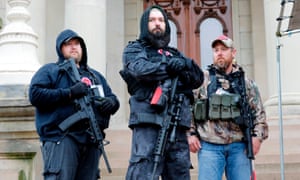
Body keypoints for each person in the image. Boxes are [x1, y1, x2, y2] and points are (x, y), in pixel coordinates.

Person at [120, 5, 204, 180]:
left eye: (160, 20)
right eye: (152, 20)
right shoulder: (135, 49)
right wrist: (170, 67)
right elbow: (141, 70)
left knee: (179, 174)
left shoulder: (175, 54)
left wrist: (186, 64)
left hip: (176, 126)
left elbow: (197, 79)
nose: (157, 24)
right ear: (145, 25)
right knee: (142, 174)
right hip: (148, 123)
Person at [29, 29, 119, 180]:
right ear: (60, 48)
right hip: (62, 139)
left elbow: (112, 97)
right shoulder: (51, 70)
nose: (73, 47)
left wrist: (112, 103)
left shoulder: (95, 76)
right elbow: (36, 94)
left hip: (91, 141)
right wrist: (69, 93)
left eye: (77, 44)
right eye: (68, 44)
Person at [188, 34, 268, 180]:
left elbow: (259, 114)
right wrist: (190, 134)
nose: (219, 53)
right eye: (216, 50)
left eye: (224, 49)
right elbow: (188, 108)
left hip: (239, 147)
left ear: (233, 52)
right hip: (209, 146)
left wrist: (257, 138)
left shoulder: (246, 83)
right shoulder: (201, 79)